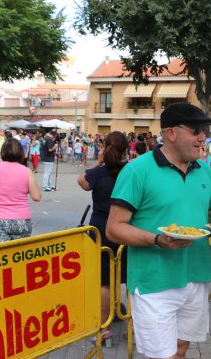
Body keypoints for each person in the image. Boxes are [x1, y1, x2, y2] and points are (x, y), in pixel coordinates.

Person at [106, 102, 211, 359]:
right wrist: (157, 239)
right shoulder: (137, 170)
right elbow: (114, 229)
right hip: (154, 280)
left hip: (197, 274)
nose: (203, 137)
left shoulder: (206, 173)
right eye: (196, 130)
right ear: (171, 133)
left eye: (205, 130)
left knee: (181, 348)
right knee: (162, 354)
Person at [77, 131, 129, 344]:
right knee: (128, 277)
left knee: (104, 281)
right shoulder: (130, 171)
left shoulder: (98, 173)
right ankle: (130, 322)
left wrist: (98, 161)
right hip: (126, 230)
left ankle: (104, 328)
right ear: (126, 150)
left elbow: (82, 182)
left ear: (104, 148)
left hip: (101, 230)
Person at [0, 139, 41, 243]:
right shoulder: (26, 171)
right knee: (19, 256)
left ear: (2, 152)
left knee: (0, 256)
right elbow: (36, 197)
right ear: (20, 152)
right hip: (21, 219)